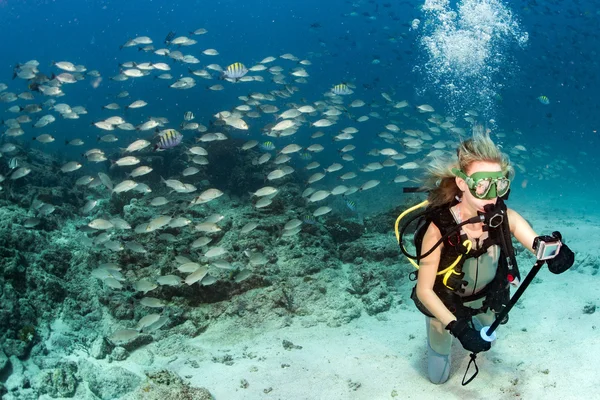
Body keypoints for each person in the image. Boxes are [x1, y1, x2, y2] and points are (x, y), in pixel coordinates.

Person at [406, 127, 575, 384]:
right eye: (482, 185)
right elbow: (424, 291)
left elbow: (536, 243)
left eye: (499, 184)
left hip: (486, 299)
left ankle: (473, 323)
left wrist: (558, 253)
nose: (492, 194)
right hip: (447, 304)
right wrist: (458, 328)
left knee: (489, 338)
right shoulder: (439, 227)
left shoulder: (504, 218)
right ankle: (447, 331)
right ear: (462, 183)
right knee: (437, 377)